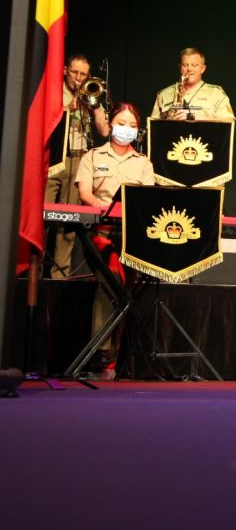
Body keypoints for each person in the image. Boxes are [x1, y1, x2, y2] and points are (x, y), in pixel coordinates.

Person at [74, 102, 156, 379]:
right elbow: (85, 192)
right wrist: (104, 208)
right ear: (110, 125)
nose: (127, 129)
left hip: (131, 237)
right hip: (101, 232)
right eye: (121, 123)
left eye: (132, 126)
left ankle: (111, 363)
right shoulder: (93, 156)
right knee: (111, 284)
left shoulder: (144, 163)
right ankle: (101, 355)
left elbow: (146, 199)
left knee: (125, 294)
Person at [45, 54, 111, 277]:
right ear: (65, 70)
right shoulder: (53, 92)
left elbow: (103, 131)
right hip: (54, 159)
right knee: (42, 218)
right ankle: (31, 274)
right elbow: (45, 119)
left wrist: (95, 107)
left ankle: (59, 276)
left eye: (84, 74)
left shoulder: (89, 94)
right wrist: (68, 107)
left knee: (68, 223)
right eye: (75, 72)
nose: (79, 78)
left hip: (79, 159)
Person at [150, 47, 235, 121]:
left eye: (194, 65)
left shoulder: (216, 93)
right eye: (185, 65)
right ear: (180, 67)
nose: (189, 69)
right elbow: (153, 128)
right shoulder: (163, 95)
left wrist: (194, 116)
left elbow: (228, 122)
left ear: (202, 69)